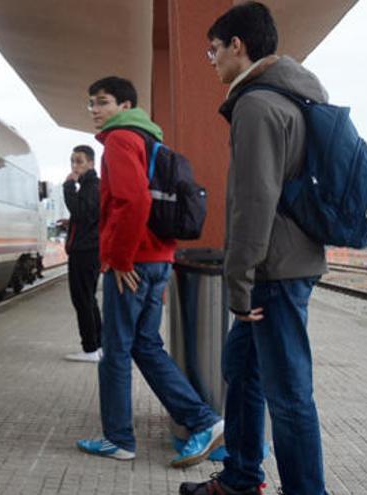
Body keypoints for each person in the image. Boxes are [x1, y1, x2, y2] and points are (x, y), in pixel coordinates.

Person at [180, 3, 329, 494]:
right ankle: (241, 477)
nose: (213, 59)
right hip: (283, 264)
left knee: (288, 396)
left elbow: (253, 203)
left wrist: (238, 288)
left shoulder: (257, 105)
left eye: (214, 49)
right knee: (240, 372)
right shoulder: (287, 98)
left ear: (237, 47)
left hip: (274, 273)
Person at [75, 76, 223, 467]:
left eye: (102, 102)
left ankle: (118, 439)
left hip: (133, 265)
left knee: (116, 352)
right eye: (91, 103)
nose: (95, 110)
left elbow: (134, 200)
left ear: (125, 106)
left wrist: (120, 259)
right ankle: (204, 421)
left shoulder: (122, 140)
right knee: (145, 345)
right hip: (158, 261)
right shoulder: (151, 140)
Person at [62, 145, 103, 362]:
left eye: (79, 161)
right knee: (89, 299)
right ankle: (98, 344)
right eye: (72, 161)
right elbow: (87, 216)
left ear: (91, 163)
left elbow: (80, 211)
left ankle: (90, 349)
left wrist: (68, 186)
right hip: (89, 250)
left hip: (85, 252)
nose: (75, 166)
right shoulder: (91, 186)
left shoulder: (91, 186)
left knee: (82, 300)